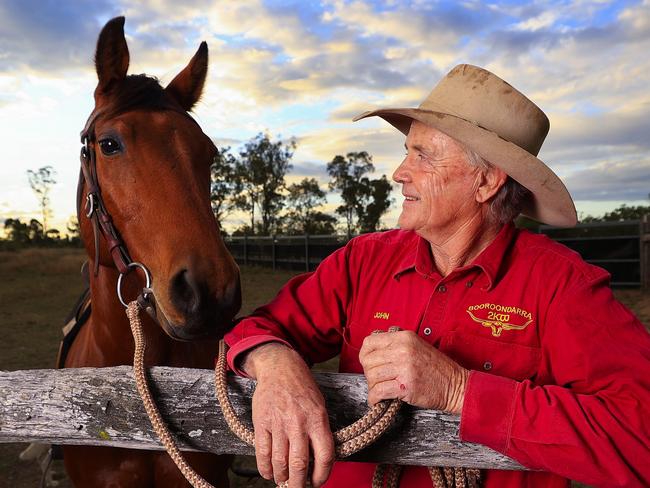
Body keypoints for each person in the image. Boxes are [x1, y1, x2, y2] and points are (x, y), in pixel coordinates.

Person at [224, 64, 650, 488]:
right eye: (407, 150)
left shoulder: (562, 286)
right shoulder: (362, 261)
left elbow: (641, 437)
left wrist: (459, 390)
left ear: (486, 181)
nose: (399, 172)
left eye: (422, 155)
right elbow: (256, 329)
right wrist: (276, 365)